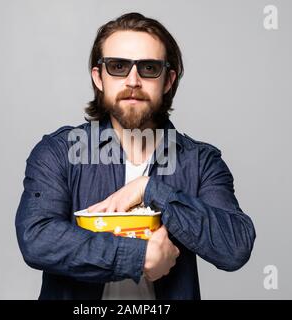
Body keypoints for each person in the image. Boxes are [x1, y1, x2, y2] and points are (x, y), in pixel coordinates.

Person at [15, 12, 256, 300]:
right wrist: (139, 257)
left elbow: (235, 247)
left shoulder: (201, 162)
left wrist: (151, 190)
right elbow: (37, 238)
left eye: (149, 68)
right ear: (99, 77)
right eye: (117, 66)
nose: (133, 81)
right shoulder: (59, 153)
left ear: (168, 80)